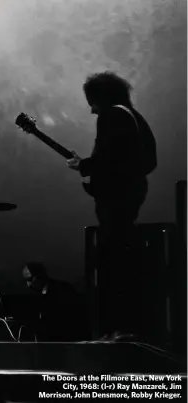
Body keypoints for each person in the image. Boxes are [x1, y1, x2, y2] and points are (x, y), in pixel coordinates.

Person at [67, 71, 157, 341]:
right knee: (120, 259)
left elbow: (107, 157)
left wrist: (86, 166)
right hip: (129, 196)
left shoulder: (112, 115)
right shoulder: (133, 116)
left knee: (111, 263)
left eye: (92, 103)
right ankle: (124, 328)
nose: (92, 111)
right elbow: (146, 160)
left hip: (117, 200)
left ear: (99, 98)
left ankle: (116, 329)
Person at [22, 262, 85, 341]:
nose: (28, 285)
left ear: (39, 276)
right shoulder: (43, 292)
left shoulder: (63, 290)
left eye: (29, 280)